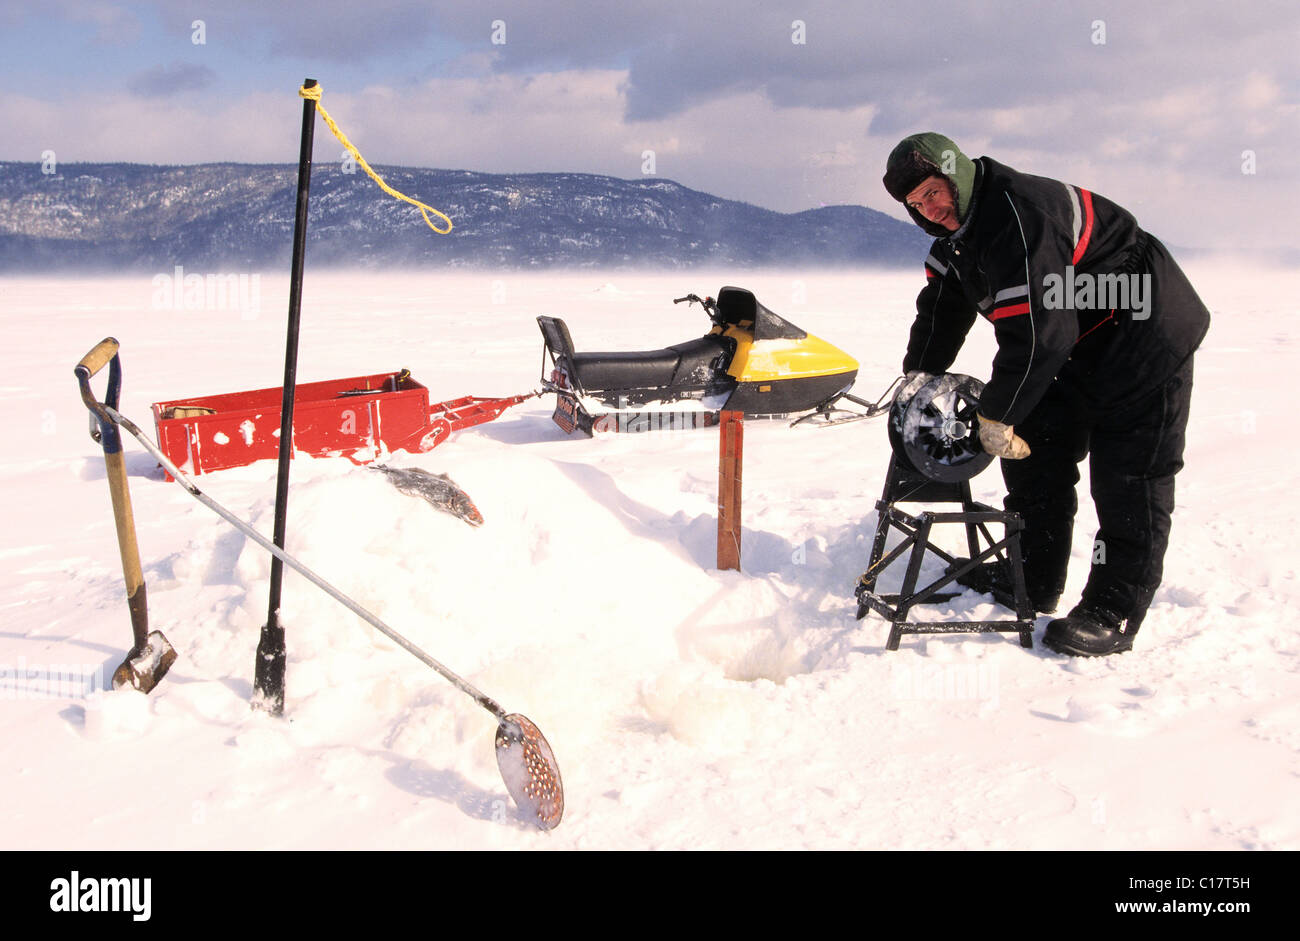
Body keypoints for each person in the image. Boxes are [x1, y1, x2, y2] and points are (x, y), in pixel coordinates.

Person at [881, 132, 1210, 657]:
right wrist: (917, 380)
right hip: (1076, 344)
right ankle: (1032, 577)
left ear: (956, 175)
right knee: (1036, 452)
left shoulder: (1019, 216)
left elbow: (1039, 334)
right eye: (916, 204)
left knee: (1128, 478)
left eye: (933, 192)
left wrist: (997, 414)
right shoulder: (956, 241)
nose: (930, 209)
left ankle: (1113, 609)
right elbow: (941, 310)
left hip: (1144, 337)